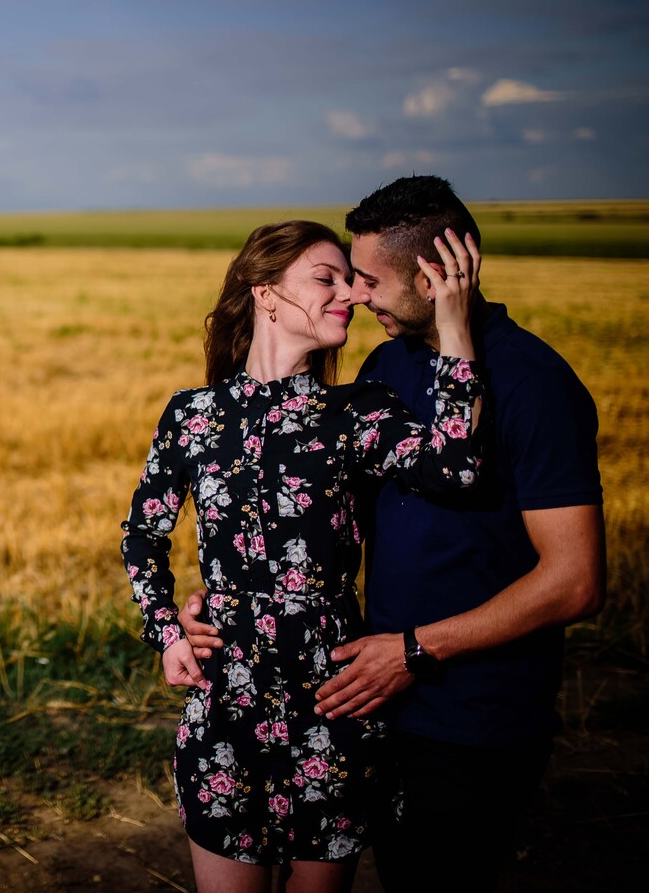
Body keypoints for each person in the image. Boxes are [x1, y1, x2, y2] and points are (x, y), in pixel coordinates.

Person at [179, 176, 606, 891]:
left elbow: (578, 581)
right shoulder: (386, 366)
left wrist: (413, 651)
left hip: (471, 720)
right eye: (342, 279)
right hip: (367, 697)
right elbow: (313, 518)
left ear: (437, 273)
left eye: (367, 281)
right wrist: (223, 600)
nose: (354, 296)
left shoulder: (533, 384)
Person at [121, 218, 484, 892]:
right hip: (224, 700)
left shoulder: (359, 411)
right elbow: (143, 533)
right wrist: (168, 628)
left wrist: (454, 326)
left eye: (351, 280)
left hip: (332, 703)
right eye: (328, 278)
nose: (348, 293)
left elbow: (455, 469)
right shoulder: (193, 415)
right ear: (265, 293)